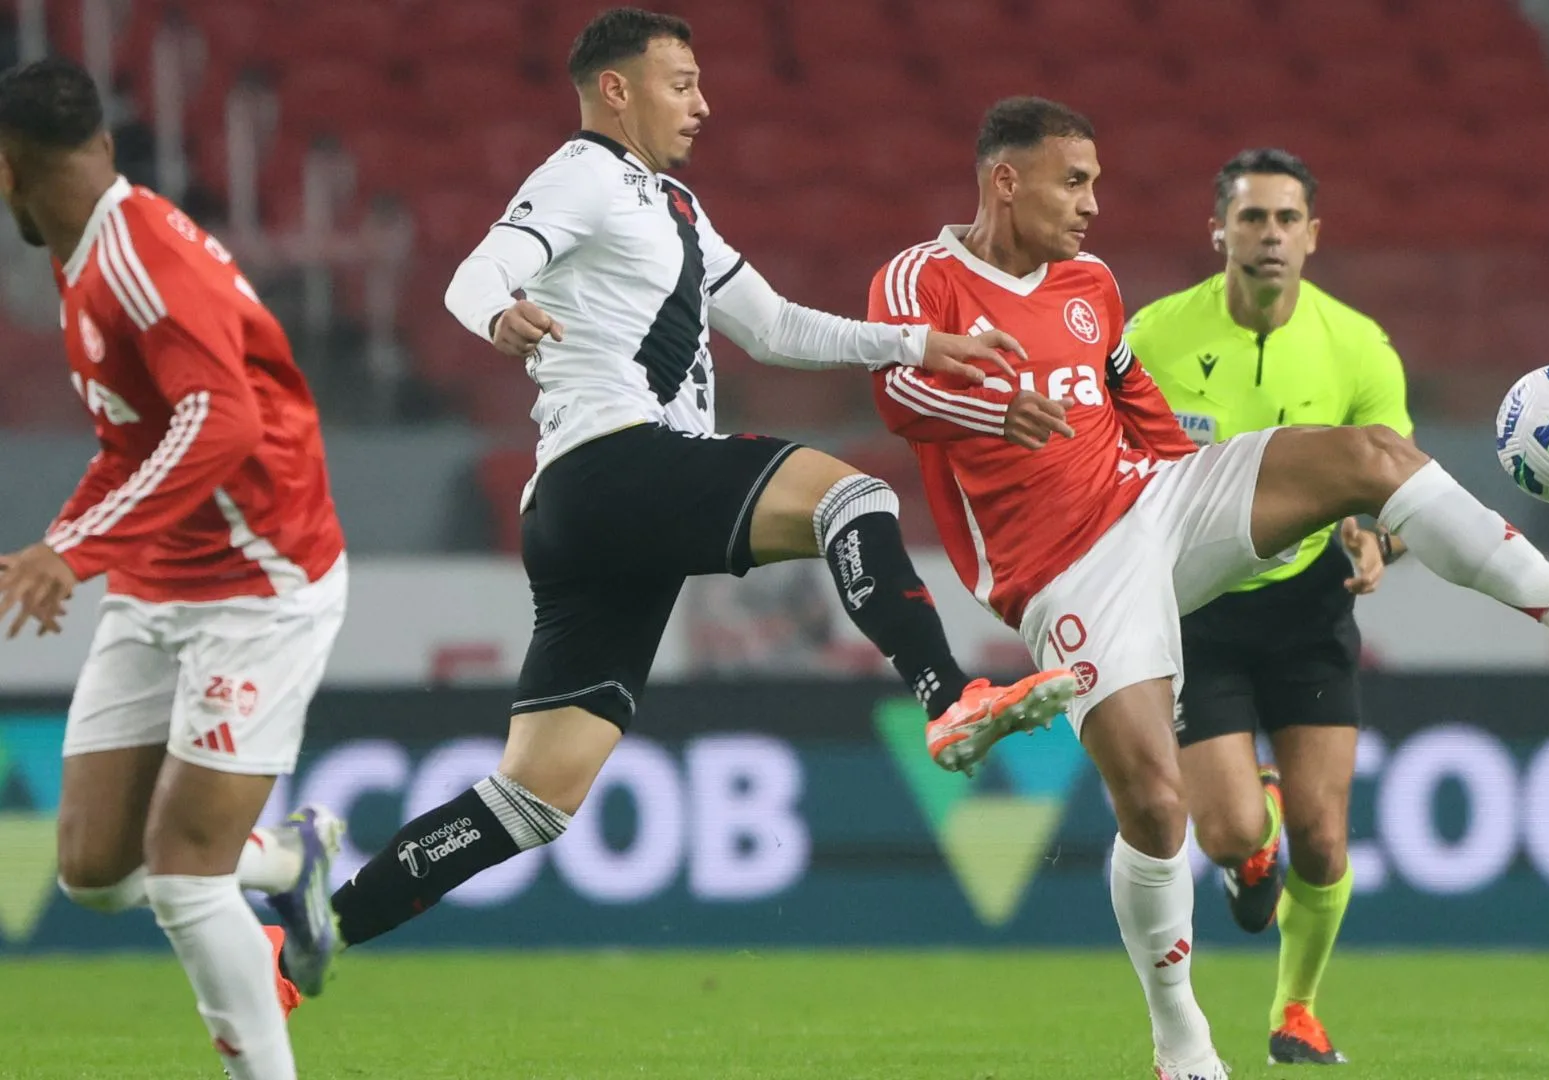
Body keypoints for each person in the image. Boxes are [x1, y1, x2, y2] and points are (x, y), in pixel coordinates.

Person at [867, 97, 1549, 1080]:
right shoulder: (921, 278)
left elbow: (1132, 392)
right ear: (1007, 180)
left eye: (1096, 179)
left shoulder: (1090, 283)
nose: (1094, 202)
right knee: (1154, 807)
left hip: (1161, 500)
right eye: (1075, 180)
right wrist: (992, 401)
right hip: (1062, 569)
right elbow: (894, 391)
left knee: (1371, 455)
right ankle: (1181, 1039)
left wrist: (1215, 493)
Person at [317, 8, 1074, 961]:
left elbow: (777, 328)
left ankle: (321, 930)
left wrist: (918, 342)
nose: (704, 104)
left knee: (533, 799)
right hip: (616, 463)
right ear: (617, 89)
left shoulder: (672, 206)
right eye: (682, 83)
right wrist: (498, 316)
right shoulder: (583, 174)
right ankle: (947, 695)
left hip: (588, 514)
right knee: (854, 500)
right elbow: (478, 271)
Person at [0, 58, 348, 1080]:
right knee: (98, 872)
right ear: (101, 146)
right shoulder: (90, 252)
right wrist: (60, 547)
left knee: (187, 881)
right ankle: (291, 862)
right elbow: (132, 440)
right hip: (164, 579)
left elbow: (223, 421)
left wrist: (77, 550)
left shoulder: (136, 263)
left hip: (261, 584)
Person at [1125, 147, 1411, 1065]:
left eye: (1288, 220)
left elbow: (1396, 489)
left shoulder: (1357, 346)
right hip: (1196, 610)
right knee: (1231, 832)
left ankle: (1298, 1009)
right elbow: (1106, 469)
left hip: (1306, 609)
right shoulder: (1154, 338)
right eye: (1252, 218)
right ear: (1219, 231)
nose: (1270, 236)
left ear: (1314, 237)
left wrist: (1376, 539)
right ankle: (1254, 847)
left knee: (1324, 840)